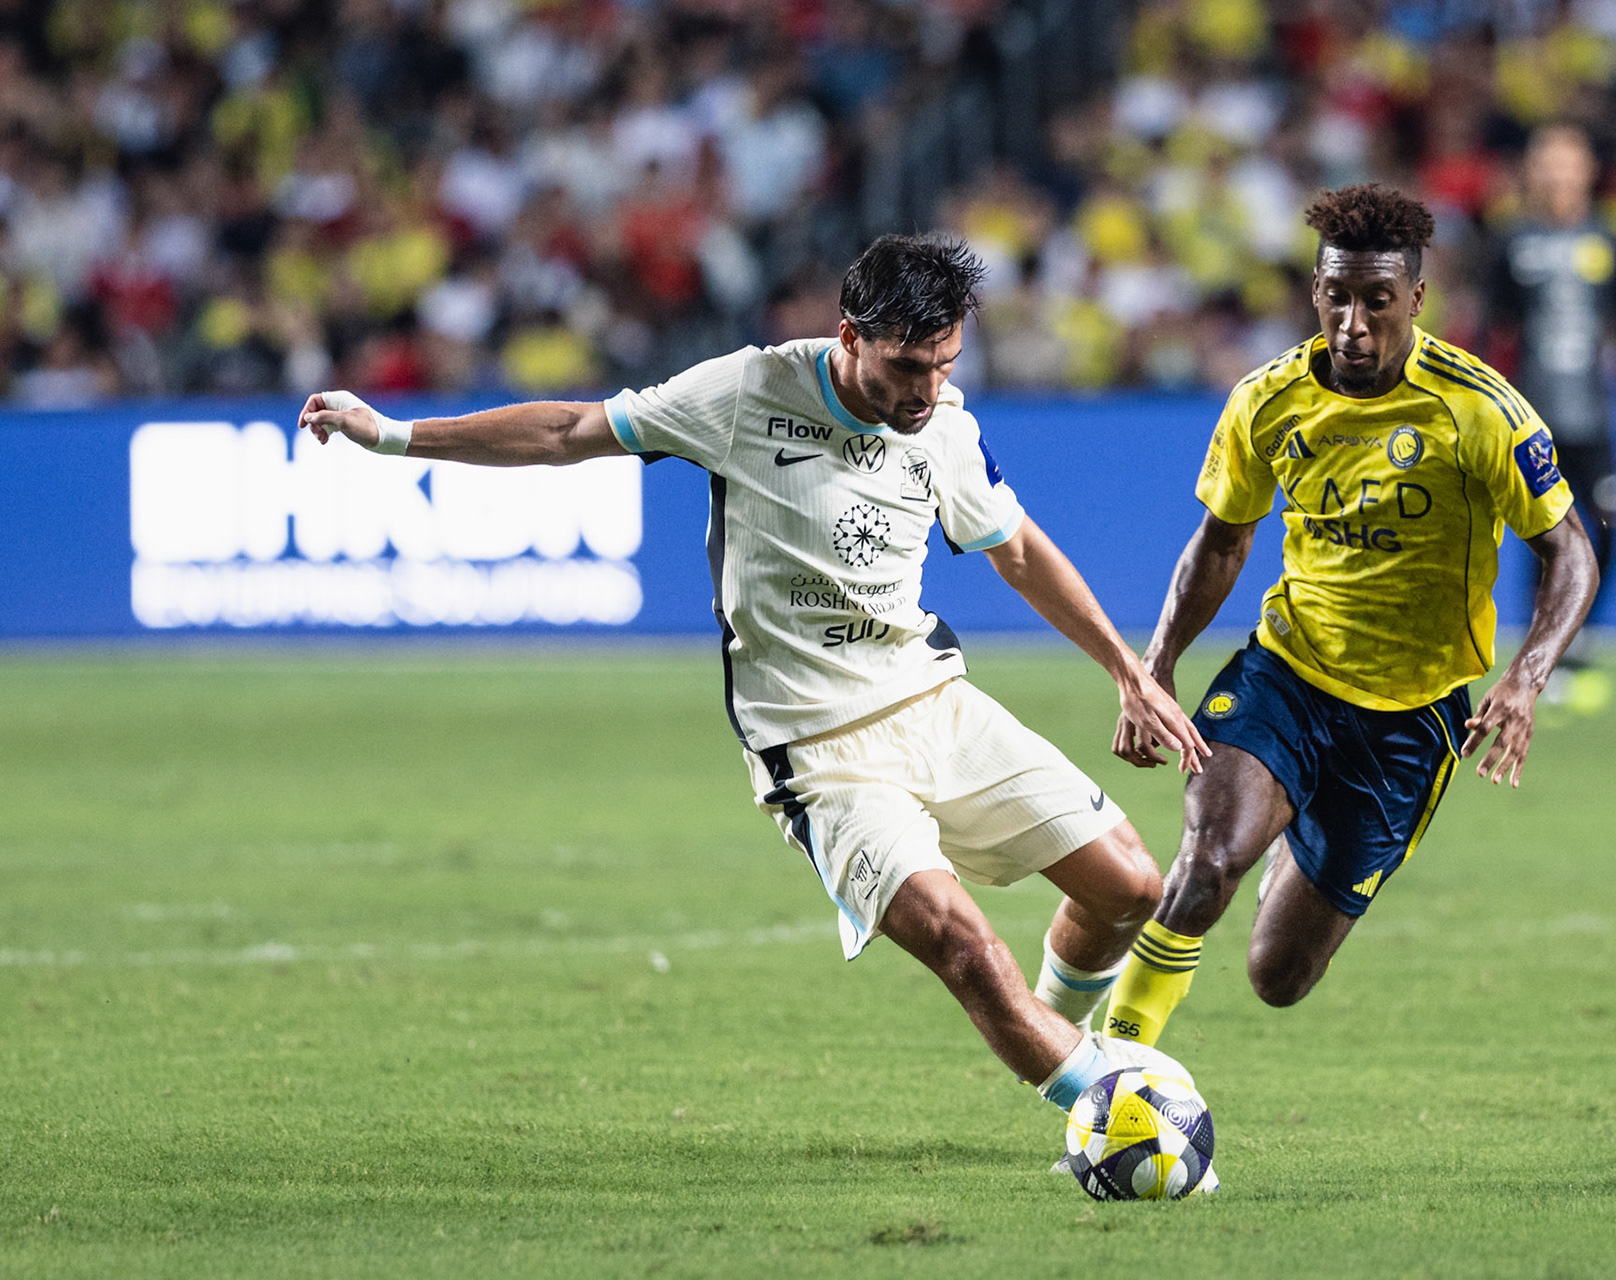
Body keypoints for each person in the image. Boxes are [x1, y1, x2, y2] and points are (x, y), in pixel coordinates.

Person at [297, 234, 1210, 1117]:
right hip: (817, 752)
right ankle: (1111, 1104)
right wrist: (392, 433)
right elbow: (569, 429)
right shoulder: (745, 391)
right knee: (963, 946)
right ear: (850, 338)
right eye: (908, 368)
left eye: (946, 364)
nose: (930, 391)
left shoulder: (943, 426)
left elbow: (1015, 551)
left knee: (1129, 887)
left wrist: (1128, 671)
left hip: (933, 701)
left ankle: (1065, 1049)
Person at [1100, 185, 1599, 1048]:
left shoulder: (1478, 411)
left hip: (1410, 717)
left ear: (1416, 299)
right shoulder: (1268, 400)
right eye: (1337, 296)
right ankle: (1113, 1071)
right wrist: (1157, 664)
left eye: (1377, 300)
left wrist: (1524, 679)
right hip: (1287, 674)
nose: (1354, 323)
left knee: (1277, 977)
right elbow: (1221, 540)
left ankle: (1301, 827)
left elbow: (1572, 554)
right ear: (1316, 292)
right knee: (1208, 863)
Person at [1484, 123, 1616, 708]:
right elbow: (1492, 330)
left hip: (1591, 415)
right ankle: (1539, 653)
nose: (1559, 174)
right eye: (1549, 162)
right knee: (1541, 534)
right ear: (1533, 171)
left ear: (1587, 170)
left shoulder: (1605, 241)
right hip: (1531, 416)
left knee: (1611, 525)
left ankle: (1574, 632)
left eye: (1569, 161)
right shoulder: (1511, 242)